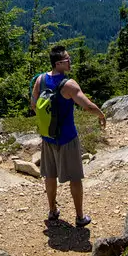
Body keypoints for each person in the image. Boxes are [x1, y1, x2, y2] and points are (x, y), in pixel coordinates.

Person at [32, 46, 108, 227]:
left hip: (48, 137)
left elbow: (34, 104)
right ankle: (80, 217)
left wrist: (48, 121)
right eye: (67, 59)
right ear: (59, 63)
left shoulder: (40, 80)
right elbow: (87, 105)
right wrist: (101, 115)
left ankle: (52, 211)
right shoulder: (68, 85)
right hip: (67, 137)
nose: (70, 61)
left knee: (49, 175)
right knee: (75, 178)